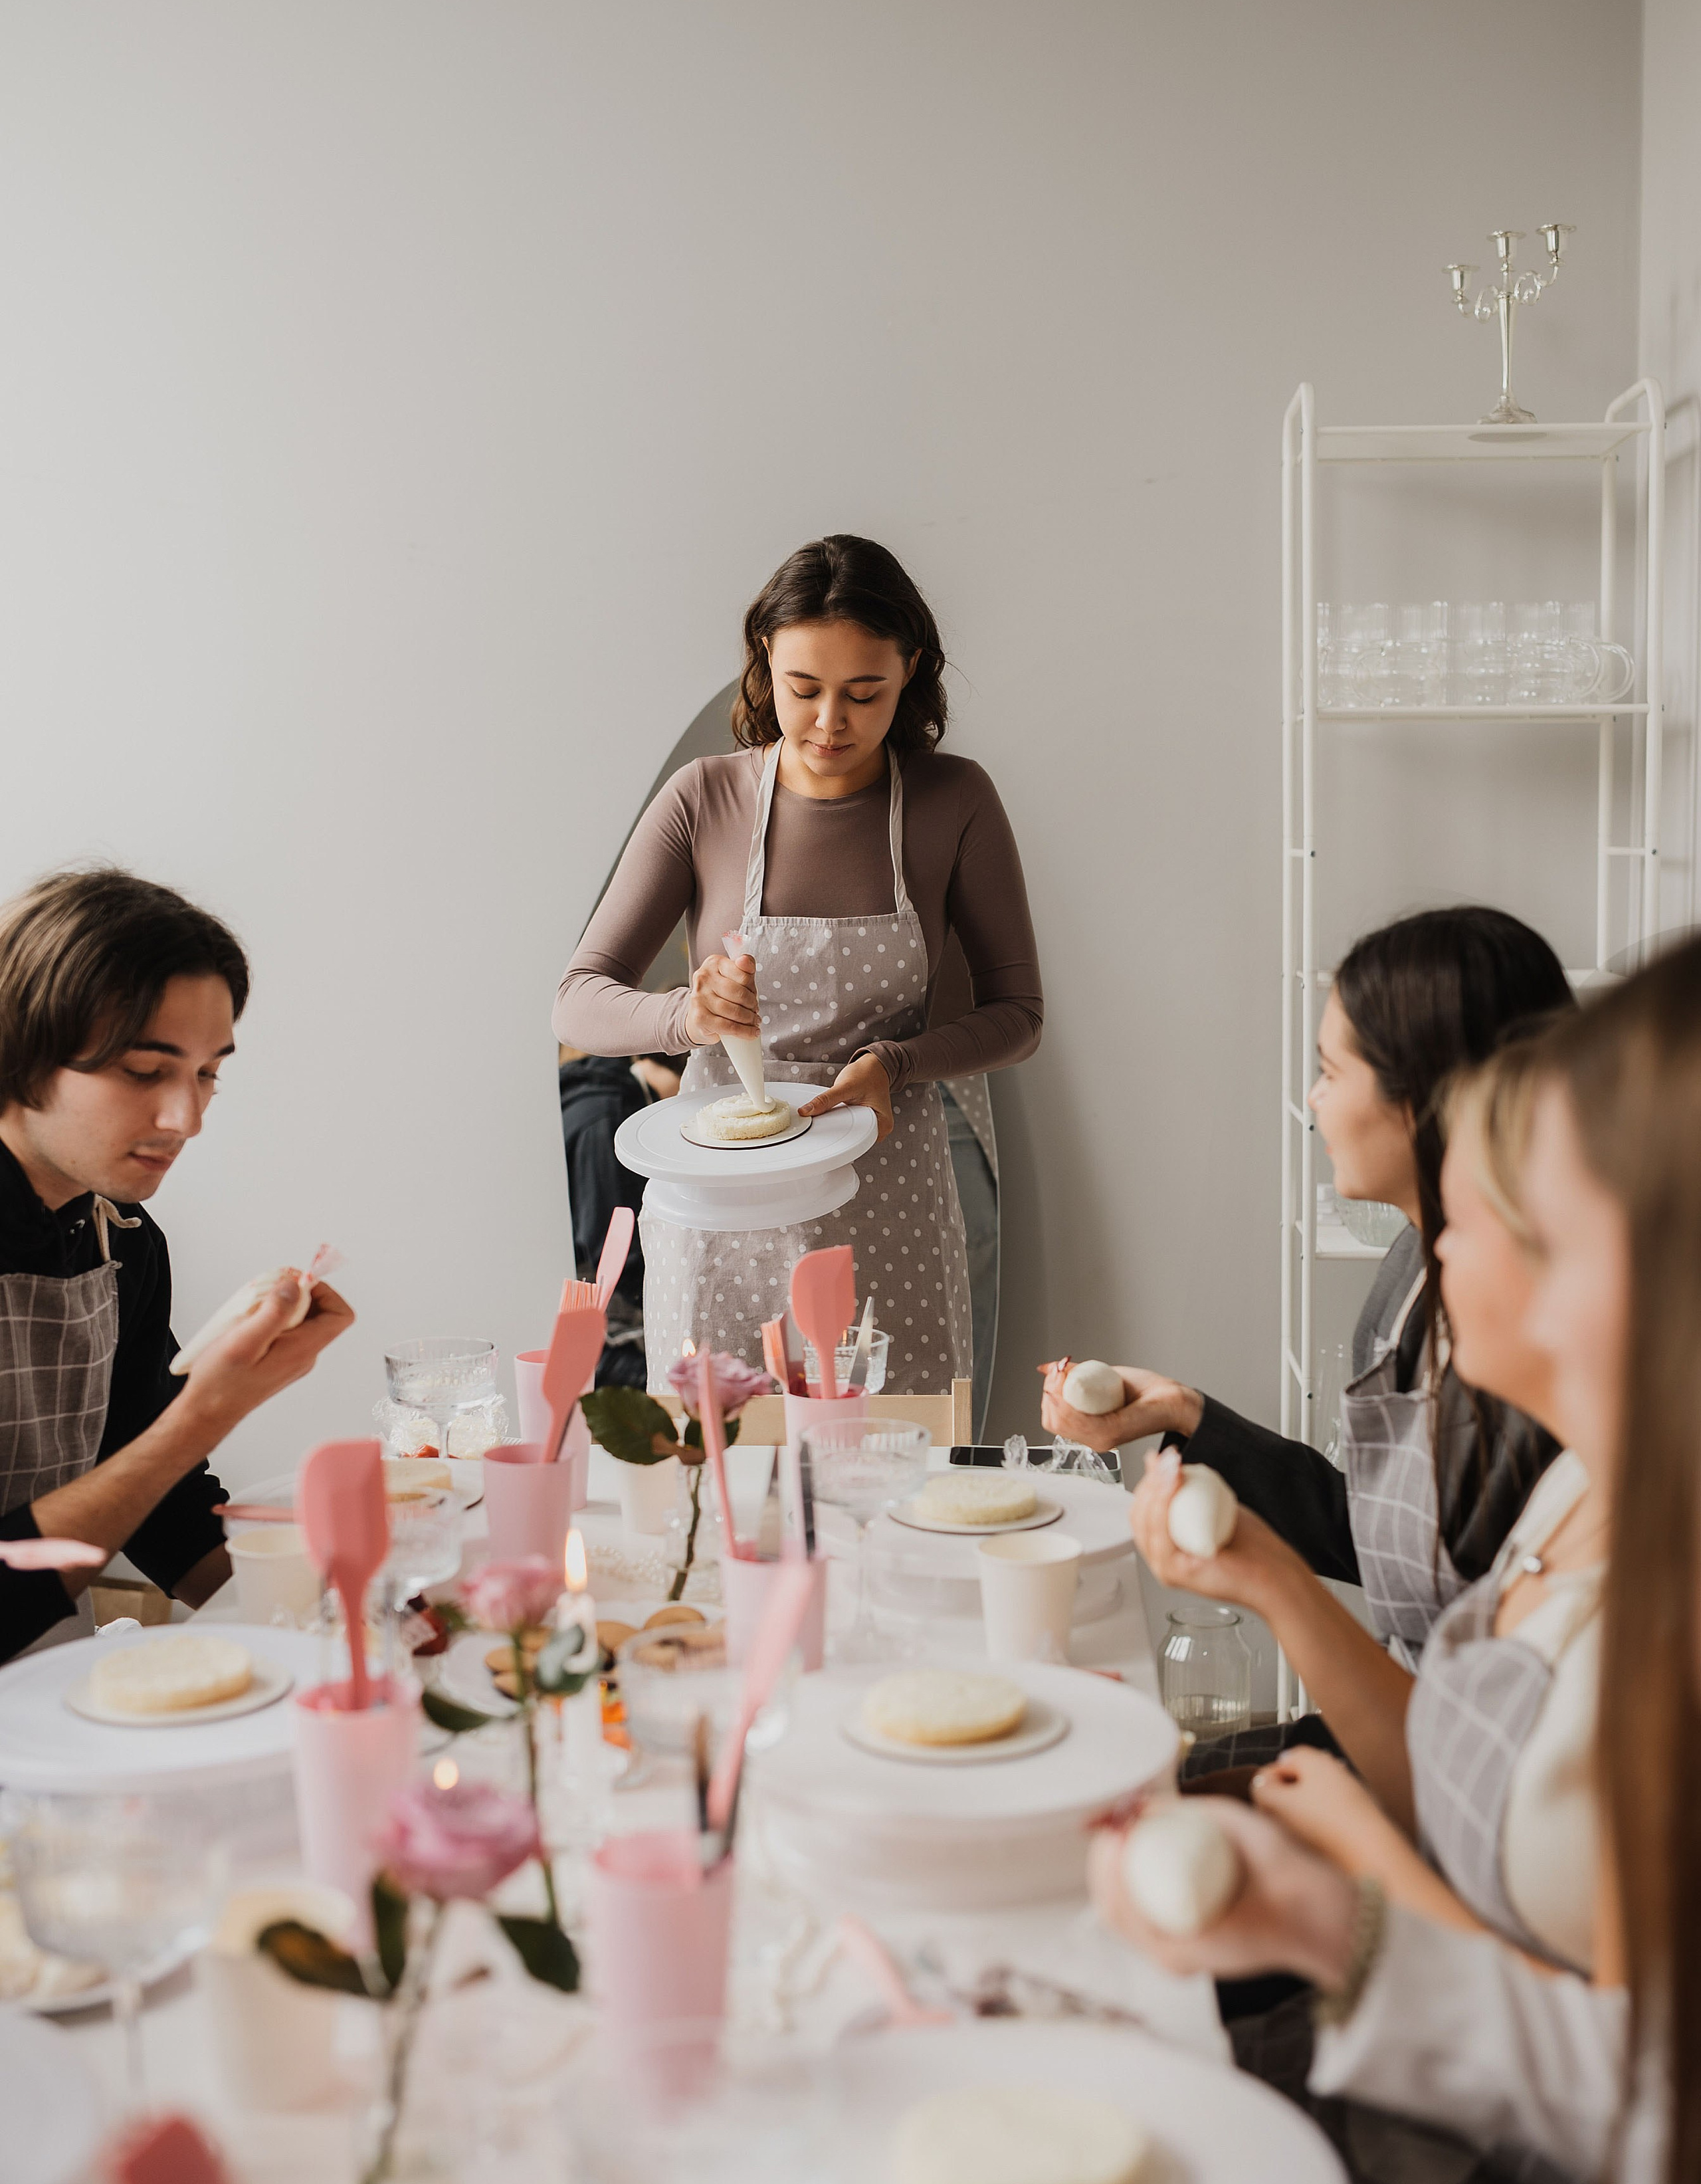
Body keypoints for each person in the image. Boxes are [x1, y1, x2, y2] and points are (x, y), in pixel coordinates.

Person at [1092, 934, 1701, 2184]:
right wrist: (1328, 1916)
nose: (1452, 1239)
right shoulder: (1582, 1486)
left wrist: (1362, 1905)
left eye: (1530, 1214)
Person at [1130, 1030, 1607, 1977]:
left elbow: (1587, 2045)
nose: (1436, 1251)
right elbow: (1448, 1768)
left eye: (1469, 1220)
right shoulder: (1568, 1490)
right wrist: (1263, 1570)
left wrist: (1353, 1863)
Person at [554, 534, 1043, 1392]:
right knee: (724, 1479)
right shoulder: (704, 799)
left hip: (887, 1186)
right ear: (763, 666)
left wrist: (897, 1060)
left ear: (911, 670)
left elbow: (1017, 1013)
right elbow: (576, 1002)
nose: (829, 723)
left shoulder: (952, 800)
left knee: (893, 1466)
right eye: (802, 689)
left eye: (864, 693)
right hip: (721, 1209)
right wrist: (688, 1016)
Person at [1043, 905, 1573, 1668]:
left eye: (1330, 1072)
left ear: (1424, 1095)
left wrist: (1270, 1583)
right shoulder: (1412, 1267)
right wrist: (1184, 1413)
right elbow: (1375, 1532)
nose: (1313, 1100)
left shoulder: (1529, 1345)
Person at [0, 869, 353, 1663]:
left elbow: (154, 1505)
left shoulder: (122, 1238)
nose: (186, 1118)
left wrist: (331, 1620)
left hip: (42, 1678)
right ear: (23, 1047)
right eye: (143, 1070)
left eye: (207, 1073)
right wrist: (205, 1413)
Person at [556, 1046, 684, 1388]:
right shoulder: (609, 1119)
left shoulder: (594, 1093)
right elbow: (612, 1251)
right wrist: (672, 1300)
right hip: (600, 1326)